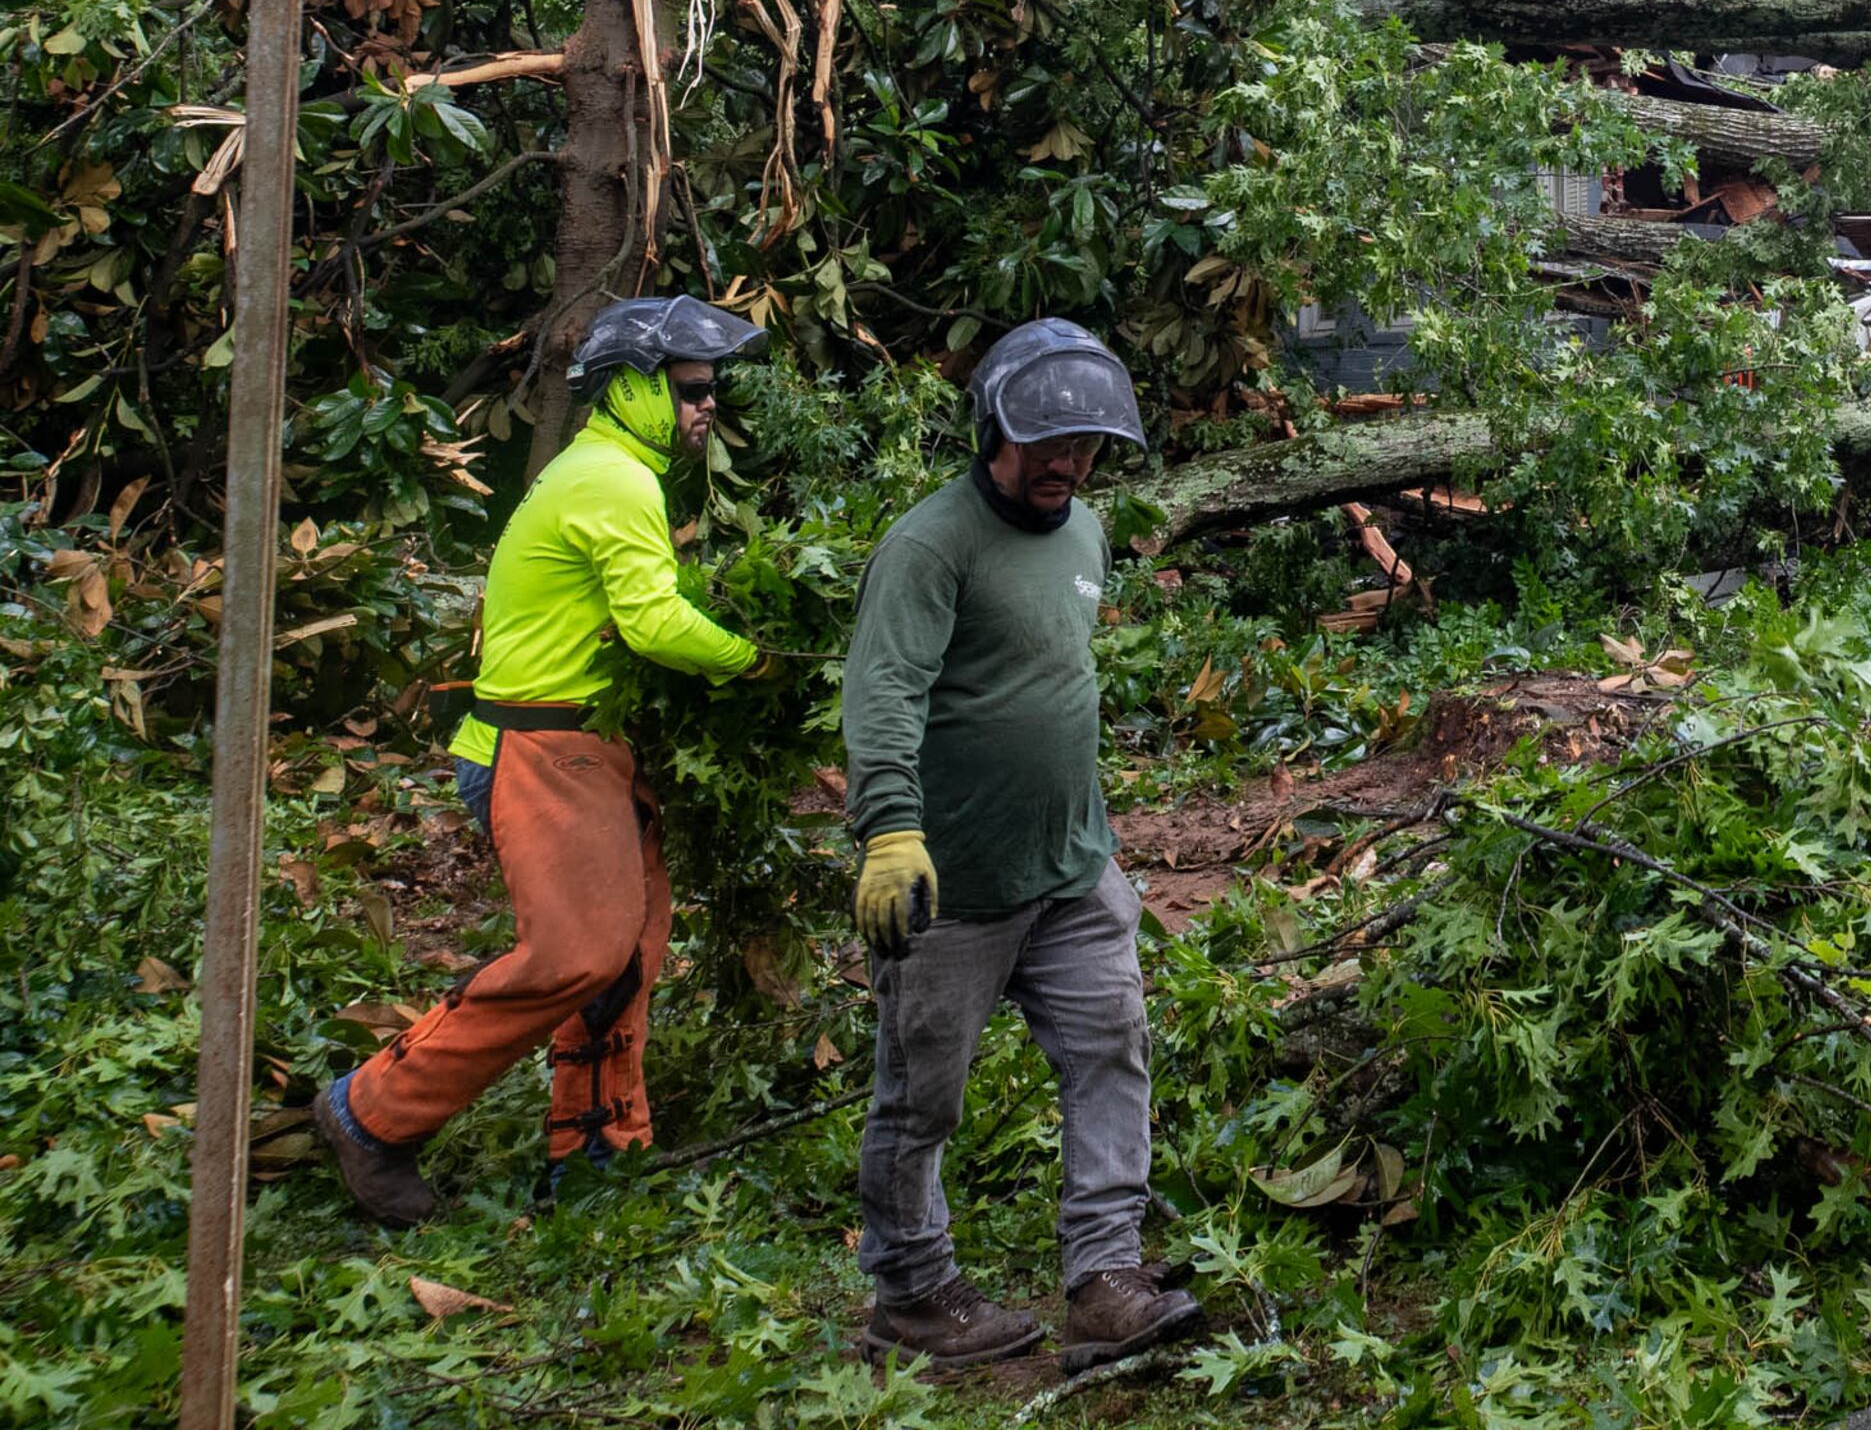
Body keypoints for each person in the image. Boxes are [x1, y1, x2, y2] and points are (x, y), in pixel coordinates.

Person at [317, 295, 771, 1223]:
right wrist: (758, 662)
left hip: (579, 742)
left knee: (628, 952)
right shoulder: (614, 480)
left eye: (710, 388)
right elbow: (655, 624)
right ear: (632, 390)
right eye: (689, 389)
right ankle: (372, 1114)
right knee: (577, 952)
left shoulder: (608, 470)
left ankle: (598, 1154)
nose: (706, 405)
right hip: (538, 745)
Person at [841, 319, 1206, 1373]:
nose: (1067, 465)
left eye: (1087, 447)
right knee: (923, 1098)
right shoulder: (929, 545)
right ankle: (911, 1295)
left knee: (1110, 1049)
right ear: (992, 427)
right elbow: (884, 695)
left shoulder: (1085, 532)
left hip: (1071, 869)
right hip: (950, 886)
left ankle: (1105, 1281)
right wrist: (892, 827)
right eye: (1047, 445)